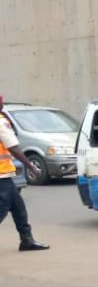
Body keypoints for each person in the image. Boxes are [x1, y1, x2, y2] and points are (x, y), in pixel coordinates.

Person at [0, 100, 49, 252]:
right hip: (1, 175)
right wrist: (30, 165)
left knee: (18, 207)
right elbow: (13, 148)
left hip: (5, 174)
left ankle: (27, 240)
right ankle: (27, 240)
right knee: (2, 208)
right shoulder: (1, 122)